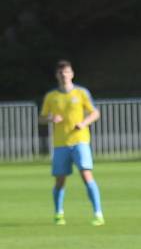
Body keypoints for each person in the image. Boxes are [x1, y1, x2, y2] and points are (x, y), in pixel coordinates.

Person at [39, 60, 104, 226]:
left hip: (80, 140)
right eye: (61, 73)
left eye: (66, 72)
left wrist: (83, 123)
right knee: (60, 180)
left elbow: (95, 112)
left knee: (86, 174)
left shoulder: (81, 93)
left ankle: (98, 213)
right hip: (60, 143)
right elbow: (41, 118)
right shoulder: (51, 96)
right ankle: (58, 213)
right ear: (57, 75)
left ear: (72, 74)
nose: (64, 75)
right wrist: (51, 118)